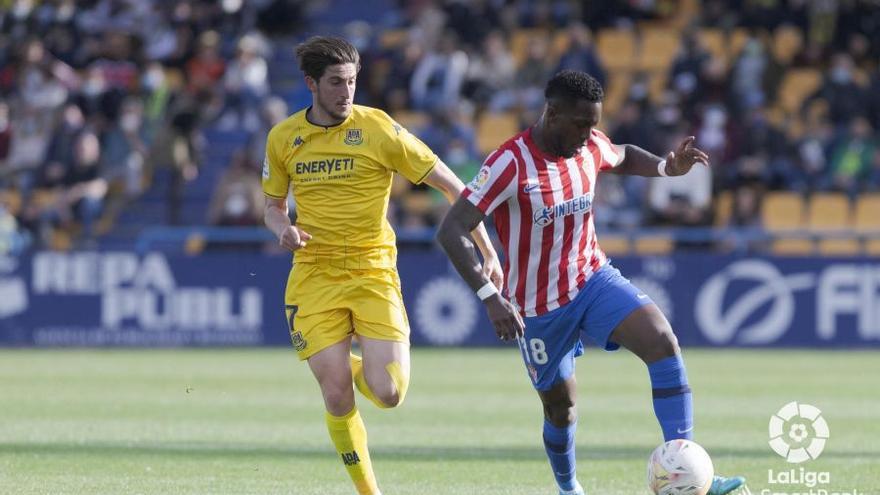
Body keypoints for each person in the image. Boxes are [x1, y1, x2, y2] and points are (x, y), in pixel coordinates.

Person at [436, 70, 745, 495]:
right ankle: (568, 488)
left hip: (591, 278)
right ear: (552, 112)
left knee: (662, 341)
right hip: (536, 308)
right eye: (581, 124)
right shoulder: (509, 163)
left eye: (593, 124)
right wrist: (490, 295)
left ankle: (688, 470)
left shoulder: (589, 143)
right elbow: (452, 229)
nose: (588, 133)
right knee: (560, 408)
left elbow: (621, 153)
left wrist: (665, 167)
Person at [261, 36, 501, 495]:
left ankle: (344, 361)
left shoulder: (380, 130)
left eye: (351, 81)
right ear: (311, 83)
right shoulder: (283, 138)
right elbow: (271, 205)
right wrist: (282, 228)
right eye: (335, 82)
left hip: (373, 269)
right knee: (335, 393)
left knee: (389, 393)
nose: (346, 91)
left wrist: (487, 252)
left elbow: (456, 190)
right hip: (313, 272)